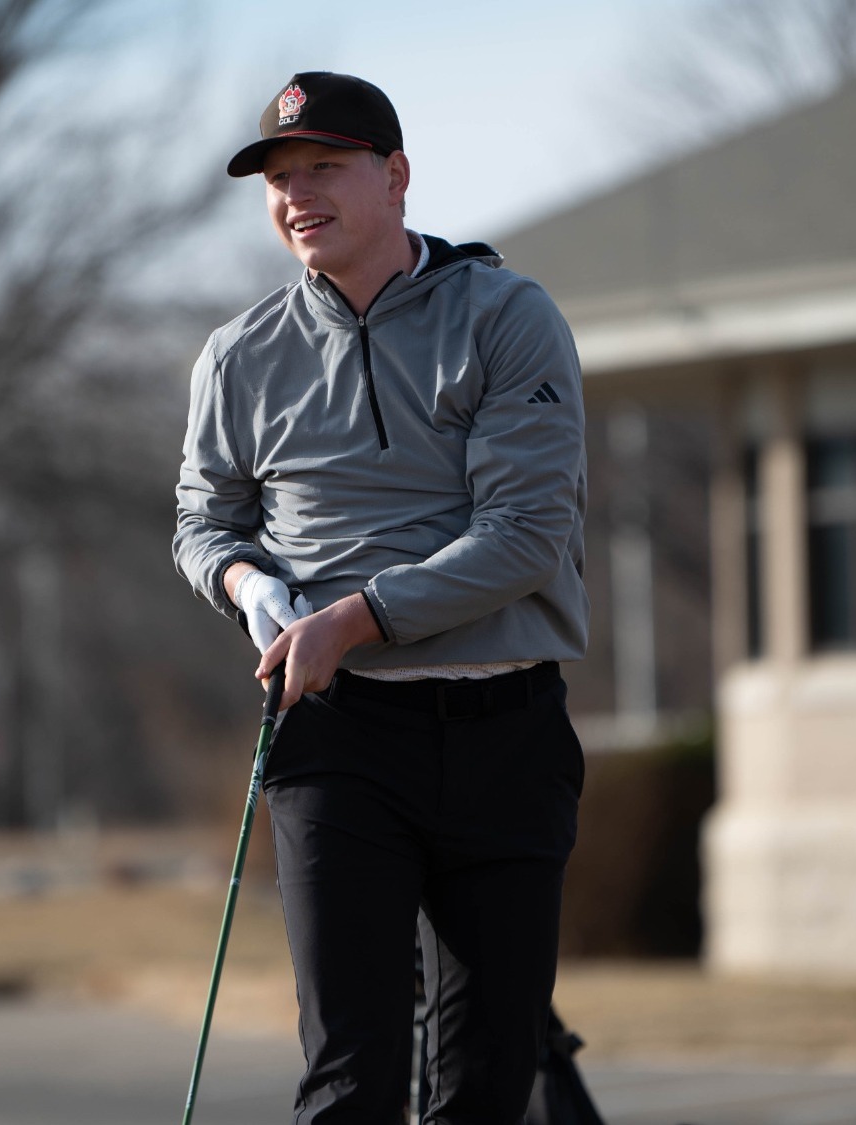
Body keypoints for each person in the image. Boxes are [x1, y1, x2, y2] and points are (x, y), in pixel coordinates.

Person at [173, 70, 589, 1124]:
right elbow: (200, 522)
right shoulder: (237, 358)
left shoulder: (504, 316)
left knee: (489, 1080)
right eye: (277, 175)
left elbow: (524, 539)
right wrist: (248, 583)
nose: (294, 192)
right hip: (338, 742)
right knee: (348, 1079)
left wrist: (350, 618)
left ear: (395, 176)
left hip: (503, 733)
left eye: (323, 166)